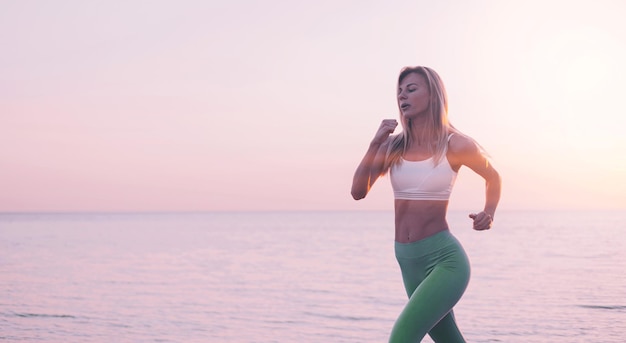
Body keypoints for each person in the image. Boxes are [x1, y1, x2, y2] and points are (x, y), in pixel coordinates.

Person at [351, 66, 501, 342]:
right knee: (448, 339)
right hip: (407, 260)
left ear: (432, 96)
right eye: (399, 91)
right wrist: (374, 144)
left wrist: (488, 213)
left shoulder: (456, 145)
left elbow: (493, 177)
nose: (402, 96)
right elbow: (358, 191)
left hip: (445, 260)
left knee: (401, 337)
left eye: (411, 89)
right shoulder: (392, 147)